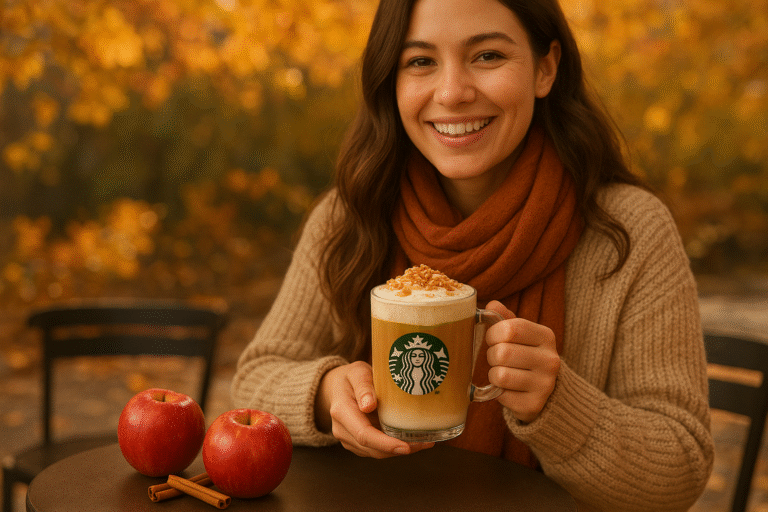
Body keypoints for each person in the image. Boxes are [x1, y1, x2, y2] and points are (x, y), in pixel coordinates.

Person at [232, 0, 714, 510]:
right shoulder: (350, 215)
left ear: (546, 68)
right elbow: (253, 382)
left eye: (486, 55)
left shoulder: (629, 231)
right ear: (390, 82)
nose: (453, 92)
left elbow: (680, 469)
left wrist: (561, 407)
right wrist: (328, 393)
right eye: (420, 62)